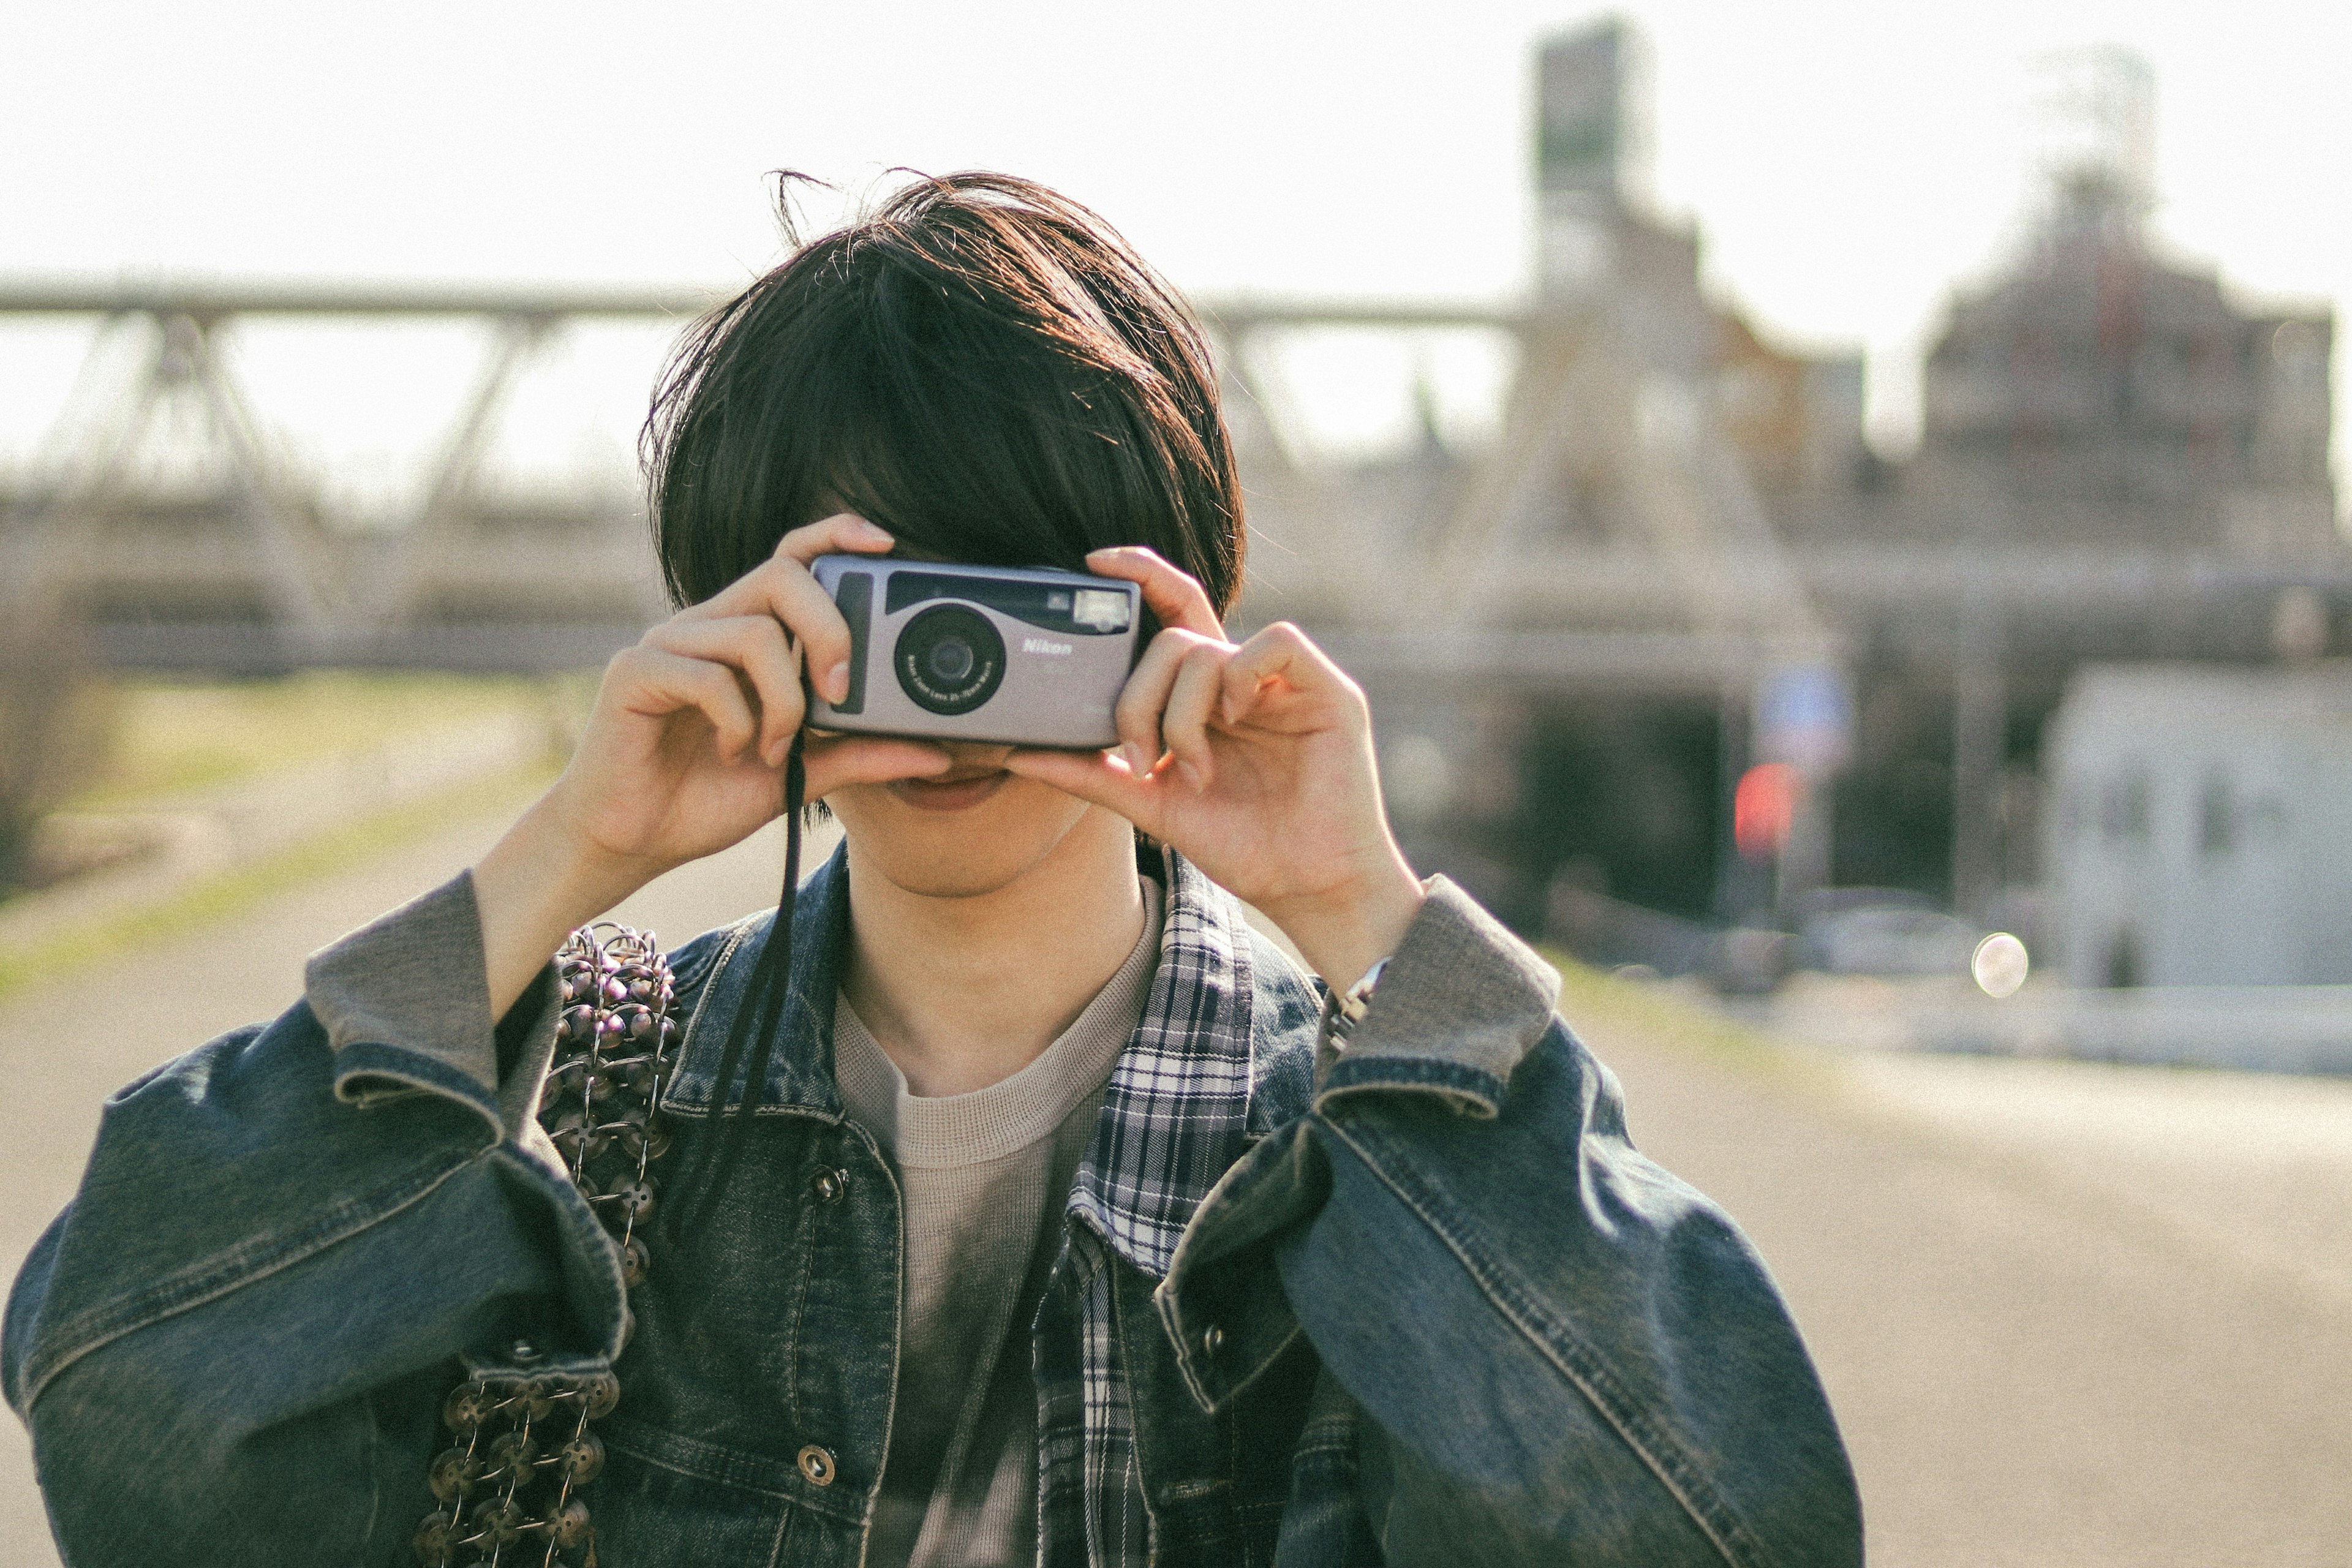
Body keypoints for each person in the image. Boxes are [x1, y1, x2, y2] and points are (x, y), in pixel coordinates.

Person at [3, 174, 1861, 1567]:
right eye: (889, 607)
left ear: (1162, 607)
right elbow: (125, 1392)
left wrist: (1368, 922)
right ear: (751, 606)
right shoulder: (595, 1108)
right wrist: (567, 858)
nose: (952, 686)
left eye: (1017, 607)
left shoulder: (1362, 1168)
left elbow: (1720, 1528)